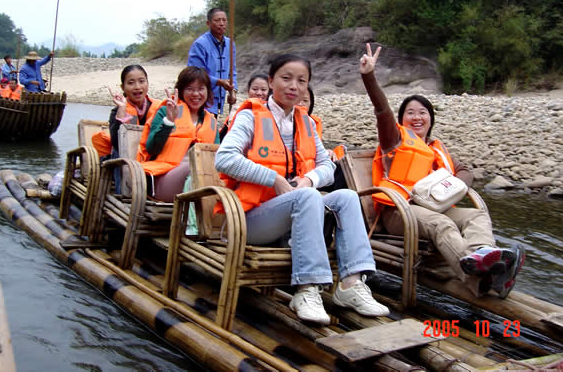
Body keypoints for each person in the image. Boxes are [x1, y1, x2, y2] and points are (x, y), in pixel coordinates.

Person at [215, 53, 389, 325]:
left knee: (346, 197)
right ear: (271, 81)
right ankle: (307, 289)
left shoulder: (305, 122)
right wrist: (274, 179)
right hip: (250, 220)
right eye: (286, 78)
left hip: (292, 213)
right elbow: (224, 158)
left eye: (301, 80)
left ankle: (351, 284)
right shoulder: (249, 116)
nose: (293, 86)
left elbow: (327, 166)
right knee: (307, 197)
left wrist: (308, 180)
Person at [358, 43, 525, 299]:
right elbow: (382, 110)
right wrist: (369, 76)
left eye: (422, 112)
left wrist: (456, 185)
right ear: (400, 120)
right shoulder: (394, 140)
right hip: (399, 211)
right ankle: (477, 279)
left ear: (430, 120)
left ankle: (483, 255)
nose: (417, 117)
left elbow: (465, 170)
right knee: (442, 224)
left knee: (476, 215)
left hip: (434, 207)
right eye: (410, 113)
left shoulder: (437, 149)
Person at [137, 66, 218, 202]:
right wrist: (169, 121)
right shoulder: (165, 112)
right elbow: (151, 149)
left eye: (201, 89)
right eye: (190, 89)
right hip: (163, 178)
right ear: (180, 91)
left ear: (208, 91)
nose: (196, 94)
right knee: (196, 166)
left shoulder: (212, 122)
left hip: (200, 181)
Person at [92, 65, 162, 159]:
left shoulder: (160, 109)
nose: (137, 87)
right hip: (126, 158)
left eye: (141, 81)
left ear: (147, 83)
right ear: (123, 87)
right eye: (131, 83)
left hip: (151, 156)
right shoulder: (116, 112)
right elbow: (117, 144)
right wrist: (121, 110)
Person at [187, 8, 237, 116]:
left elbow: (232, 71)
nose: (221, 23)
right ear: (208, 23)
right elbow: (194, 73)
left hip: (219, 99)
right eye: (217, 20)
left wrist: (233, 91)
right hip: (201, 99)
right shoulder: (200, 44)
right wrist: (218, 82)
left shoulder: (230, 44)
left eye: (224, 20)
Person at [219, 73, 269, 141]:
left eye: (263, 90)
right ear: (248, 91)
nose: (259, 93)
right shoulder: (237, 111)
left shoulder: (274, 113)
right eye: (255, 89)